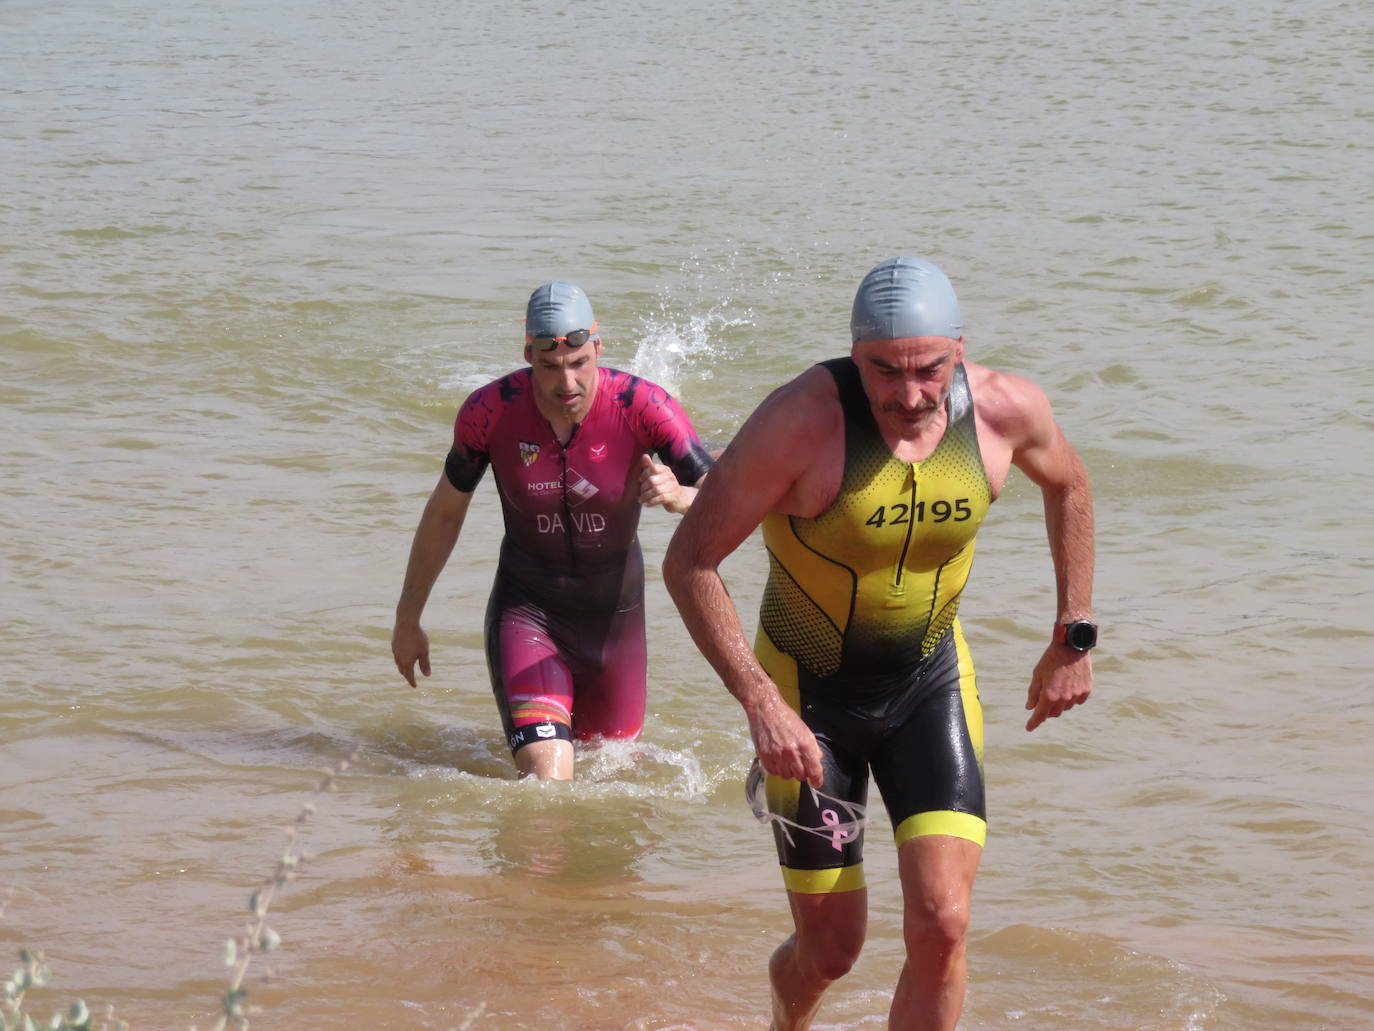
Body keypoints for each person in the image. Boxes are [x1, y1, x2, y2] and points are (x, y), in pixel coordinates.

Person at [662, 257, 1095, 1031]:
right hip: (807, 700)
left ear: (959, 349)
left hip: (928, 685)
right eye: (883, 371)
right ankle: (785, 1023)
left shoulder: (1004, 411)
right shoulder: (799, 423)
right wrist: (761, 701)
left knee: (943, 921)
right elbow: (690, 561)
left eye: (929, 369)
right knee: (832, 948)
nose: (907, 393)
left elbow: (1070, 486)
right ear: (853, 355)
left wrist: (1072, 636)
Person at [392, 281, 714, 781]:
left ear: (598, 349)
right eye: (549, 367)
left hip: (614, 624)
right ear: (528, 355)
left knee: (613, 791)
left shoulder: (643, 406)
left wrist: (682, 498)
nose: (567, 383)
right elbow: (444, 514)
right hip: (528, 614)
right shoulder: (489, 412)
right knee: (548, 783)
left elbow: (726, 497)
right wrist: (407, 618)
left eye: (579, 362)